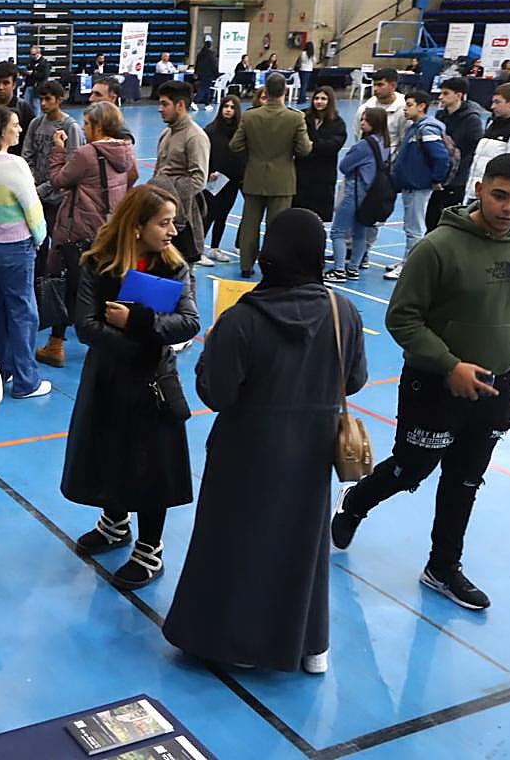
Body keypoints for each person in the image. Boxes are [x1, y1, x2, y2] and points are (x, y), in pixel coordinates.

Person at [332, 153, 510, 611]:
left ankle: (443, 567)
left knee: (466, 478)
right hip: (435, 384)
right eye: (500, 195)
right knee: (412, 468)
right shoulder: (438, 247)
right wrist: (450, 365)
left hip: (495, 386)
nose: (509, 207)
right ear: (480, 189)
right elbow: (402, 319)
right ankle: (356, 501)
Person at [164, 209, 367, 674]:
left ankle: (229, 642)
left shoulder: (241, 320)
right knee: (301, 547)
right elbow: (353, 380)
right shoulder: (343, 312)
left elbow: (217, 393)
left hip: (246, 449)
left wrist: (210, 349)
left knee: (233, 543)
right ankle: (308, 644)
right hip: (313, 452)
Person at [61, 184, 198, 589]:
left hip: (153, 384)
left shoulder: (175, 267)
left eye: (173, 222)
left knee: (151, 466)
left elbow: (189, 322)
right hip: (107, 380)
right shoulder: (98, 263)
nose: (172, 231)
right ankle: (115, 523)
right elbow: (85, 326)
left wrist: (138, 324)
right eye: (164, 222)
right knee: (108, 453)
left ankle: (149, 549)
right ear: (136, 227)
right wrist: (137, 345)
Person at [38, 101, 136, 368]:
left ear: (99, 126)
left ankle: (56, 344)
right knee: (106, 286)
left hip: (79, 229)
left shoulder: (87, 153)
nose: (84, 128)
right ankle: (106, 342)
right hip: (108, 229)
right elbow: (131, 177)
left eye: (87, 124)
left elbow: (58, 179)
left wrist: (58, 150)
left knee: (67, 284)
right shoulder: (126, 151)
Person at [0, 105, 50, 399]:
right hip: (15, 247)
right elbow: (32, 207)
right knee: (23, 312)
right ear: (1, 131)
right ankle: (26, 381)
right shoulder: (15, 165)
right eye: (15, 125)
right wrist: (41, 237)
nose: (19, 129)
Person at [229, 73, 312, 278]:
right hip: (282, 180)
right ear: (285, 91)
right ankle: (274, 265)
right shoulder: (295, 117)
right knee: (278, 227)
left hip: (254, 176)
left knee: (250, 224)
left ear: (265, 90)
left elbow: (235, 145)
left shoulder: (250, 116)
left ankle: (246, 266)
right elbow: (304, 149)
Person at [22, 80, 85, 280]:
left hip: (58, 197)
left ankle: (56, 279)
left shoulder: (70, 127)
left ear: (59, 100)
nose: (43, 104)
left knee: (57, 241)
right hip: (37, 192)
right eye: (41, 99)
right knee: (37, 240)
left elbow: (72, 164)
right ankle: (39, 278)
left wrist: (47, 187)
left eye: (48, 99)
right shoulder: (35, 124)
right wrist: (32, 181)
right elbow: (27, 155)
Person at [385, 90, 450, 281]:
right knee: (410, 226)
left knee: (415, 229)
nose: (405, 109)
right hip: (410, 184)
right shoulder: (415, 127)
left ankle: (411, 266)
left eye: (410, 105)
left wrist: (437, 179)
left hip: (419, 185)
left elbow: (441, 157)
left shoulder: (427, 129)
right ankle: (407, 259)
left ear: (421, 106)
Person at [326, 107, 391, 282]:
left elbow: (345, 166)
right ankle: (353, 268)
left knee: (338, 231)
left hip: (355, 190)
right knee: (360, 231)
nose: (362, 123)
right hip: (371, 194)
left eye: (366, 120)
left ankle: (339, 269)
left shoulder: (364, 145)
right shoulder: (384, 143)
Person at [154, 80, 210, 264]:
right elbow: (159, 171)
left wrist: (172, 200)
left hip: (183, 218)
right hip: (160, 214)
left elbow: (199, 181)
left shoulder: (195, 137)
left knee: (183, 272)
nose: (160, 109)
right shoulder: (166, 133)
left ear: (180, 105)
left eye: (164, 104)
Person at [427, 77, 485, 231]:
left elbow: (473, 150)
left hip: (457, 178)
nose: (440, 97)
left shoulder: (472, 120)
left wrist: (456, 172)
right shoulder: (440, 116)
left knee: (450, 220)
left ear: (458, 95)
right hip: (438, 175)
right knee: (430, 217)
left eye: (445, 93)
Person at [463, 83, 510, 203]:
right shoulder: (493, 124)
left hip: (495, 196)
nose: (492, 106)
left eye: (497, 102)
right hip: (477, 191)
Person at [201, 94, 245, 264]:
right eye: (226, 106)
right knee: (209, 214)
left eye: (232, 107)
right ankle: (199, 250)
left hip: (233, 179)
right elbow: (204, 154)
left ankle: (214, 248)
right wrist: (209, 171)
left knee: (223, 214)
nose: (228, 110)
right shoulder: (210, 130)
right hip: (215, 179)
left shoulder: (240, 131)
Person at [293, 86, 347, 222]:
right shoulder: (303, 117)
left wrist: (312, 144)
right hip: (302, 172)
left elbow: (334, 145)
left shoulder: (338, 123)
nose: (319, 101)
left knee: (318, 216)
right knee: (298, 213)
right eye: (316, 98)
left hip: (324, 175)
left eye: (323, 99)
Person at [89, 77, 137, 148]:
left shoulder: (122, 134)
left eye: (98, 94)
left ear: (113, 98)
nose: (91, 98)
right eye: (92, 93)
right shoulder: (93, 120)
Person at [23, 45, 51, 111]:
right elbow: (26, 70)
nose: (32, 56)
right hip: (29, 85)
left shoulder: (44, 63)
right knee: (26, 104)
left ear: (38, 53)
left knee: (36, 105)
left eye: (33, 54)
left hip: (38, 86)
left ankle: (36, 120)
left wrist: (33, 73)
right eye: (31, 54)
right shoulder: (31, 61)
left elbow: (45, 75)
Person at [193, 39, 218, 109]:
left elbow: (197, 64)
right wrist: (217, 74)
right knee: (204, 88)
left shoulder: (200, 53)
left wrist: (196, 73)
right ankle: (194, 101)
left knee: (207, 89)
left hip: (201, 74)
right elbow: (214, 65)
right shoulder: (211, 54)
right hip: (208, 74)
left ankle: (207, 104)